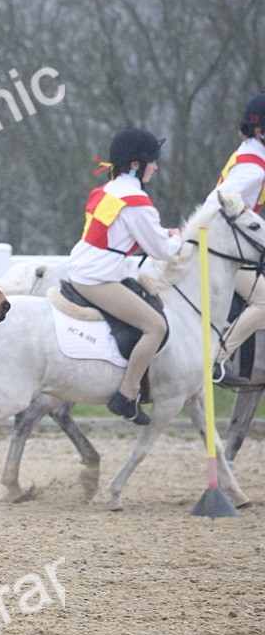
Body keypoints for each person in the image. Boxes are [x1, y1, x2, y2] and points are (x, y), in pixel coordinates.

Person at [65, 127, 182, 424]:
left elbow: (129, 232)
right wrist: (179, 237)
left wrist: (161, 234)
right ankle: (127, 395)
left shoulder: (108, 189)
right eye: (152, 161)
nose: (156, 166)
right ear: (136, 164)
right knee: (156, 326)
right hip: (97, 279)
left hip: (83, 267)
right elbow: (161, 251)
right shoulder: (137, 202)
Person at [208, 91, 265, 386]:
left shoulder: (254, 155)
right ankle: (216, 358)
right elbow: (214, 204)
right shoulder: (253, 168)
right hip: (225, 248)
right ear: (260, 131)